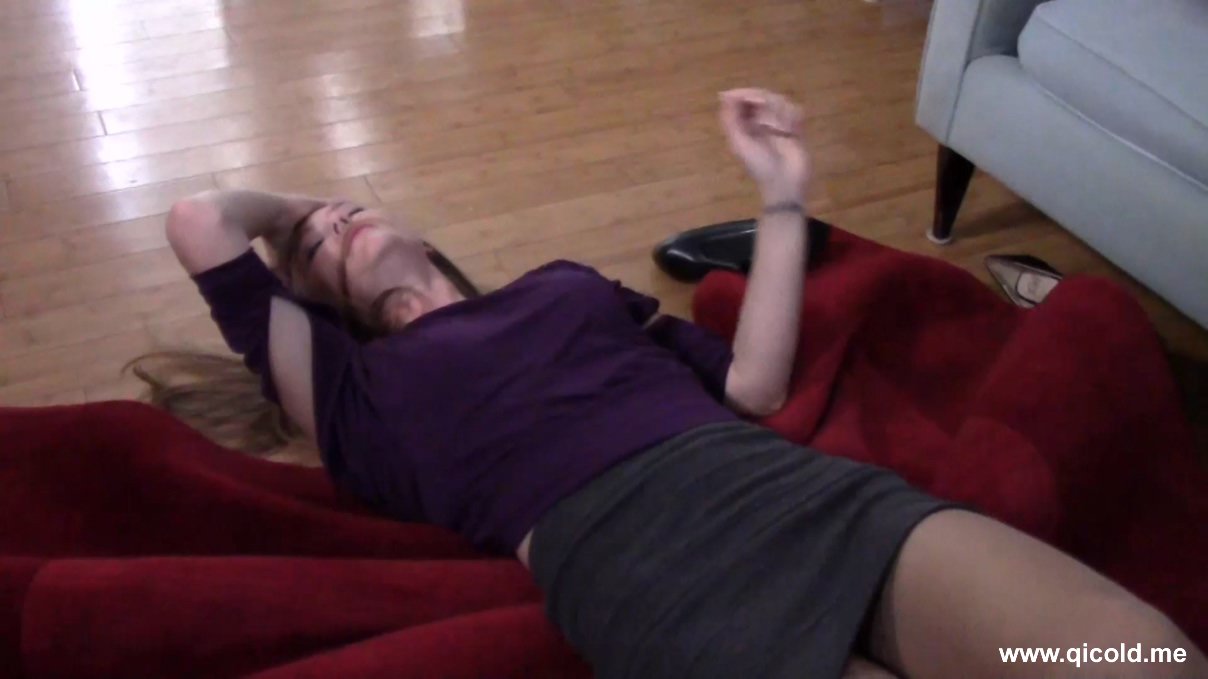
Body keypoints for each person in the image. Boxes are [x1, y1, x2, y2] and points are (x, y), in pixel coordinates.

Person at [145, 89, 1205, 679]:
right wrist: (292, 215)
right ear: (317, 306)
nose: (336, 219)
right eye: (317, 243)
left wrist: (782, 193)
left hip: (781, 494)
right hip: (640, 574)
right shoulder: (353, 397)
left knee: (1133, 655)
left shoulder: (563, 286)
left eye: (348, 205)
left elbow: (753, 384)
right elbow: (199, 222)